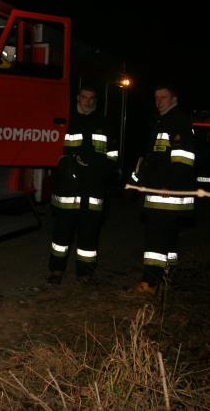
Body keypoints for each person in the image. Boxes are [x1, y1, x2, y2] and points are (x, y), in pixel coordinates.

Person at [48, 85, 118, 286]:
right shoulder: (66, 121)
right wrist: (68, 165)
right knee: (61, 235)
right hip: (67, 188)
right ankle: (56, 270)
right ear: (78, 98)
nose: (87, 101)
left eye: (91, 98)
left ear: (95, 100)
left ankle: (85, 274)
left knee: (89, 237)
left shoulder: (104, 124)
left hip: (93, 189)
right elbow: (53, 151)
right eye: (84, 97)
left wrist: (96, 166)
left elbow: (113, 157)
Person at [130, 83, 196, 294]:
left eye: (164, 97)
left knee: (156, 238)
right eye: (156, 98)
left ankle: (150, 283)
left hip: (166, 192)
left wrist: (171, 185)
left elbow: (183, 159)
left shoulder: (178, 122)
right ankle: (168, 276)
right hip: (158, 190)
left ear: (174, 99)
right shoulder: (163, 121)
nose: (159, 102)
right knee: (167, 237)